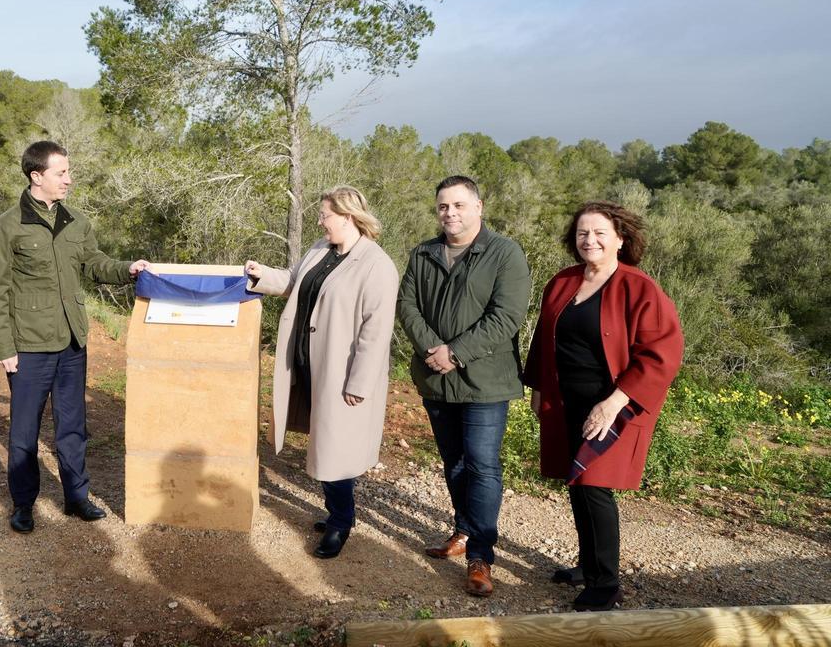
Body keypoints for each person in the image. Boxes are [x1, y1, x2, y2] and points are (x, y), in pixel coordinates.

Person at [0, 140, 152, 533]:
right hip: (29, 344)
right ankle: (24, 504)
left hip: (73, 341)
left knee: (73, 425)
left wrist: (129, 268)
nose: (69, 180)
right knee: (24, 430)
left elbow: (94, 264)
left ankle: (77, 497)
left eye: (68, 172)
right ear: (36, 175)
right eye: (61, 173)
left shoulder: (77, 221)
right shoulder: (8, 225)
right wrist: (4, 348)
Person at [524, 201, 683, 611]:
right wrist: (539, 386)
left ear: (620, 239)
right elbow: (545, 338)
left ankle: (605, 584)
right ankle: (587, 564)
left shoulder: (638, 287)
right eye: (582, 233)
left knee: (594, 485)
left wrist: (615, 401)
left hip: (615, 403)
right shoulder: (562, 282)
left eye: (599, 233)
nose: (589, 240)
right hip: (565, 401)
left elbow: (662, 352)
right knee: (576, 484)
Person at [244, 186, 399, 560]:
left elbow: (376, 333)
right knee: (326, 443)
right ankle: (336, 513)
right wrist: (259, 274)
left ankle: (341, 523)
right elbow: (294, 283)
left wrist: (358, 384)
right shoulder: (320, 249)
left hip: (342, 374)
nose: (320, 221)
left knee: (337, 449)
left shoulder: (377, 265)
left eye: (325, 215)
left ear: (348, 217)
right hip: (311, 366)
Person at [396, 175, 531, 597]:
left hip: (485, 382)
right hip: (436, 378)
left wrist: (455, 353)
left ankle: (482, 556)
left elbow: (506, 317)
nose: (449, 213)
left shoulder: (504, 253)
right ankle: (463, 531)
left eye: (458, 205)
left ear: (478, 207)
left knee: (482, 464)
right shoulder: (424, 253)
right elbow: (407, 304)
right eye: (442, 206)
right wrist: (432, 349)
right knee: (453, 461)